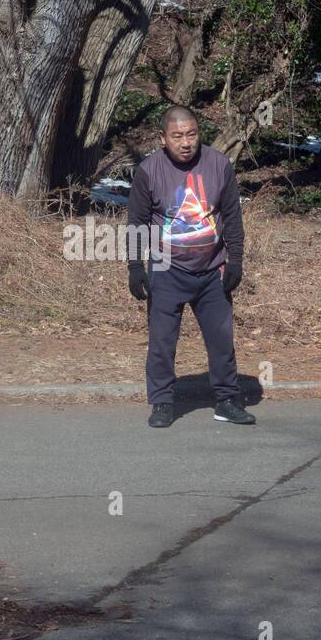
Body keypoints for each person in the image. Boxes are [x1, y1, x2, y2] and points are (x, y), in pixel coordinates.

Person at [125, 106, 254, 428]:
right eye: (177, 136)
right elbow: (137, 222)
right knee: (162, 342)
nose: (186, 143)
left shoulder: (219, 165)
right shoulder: (149, 170)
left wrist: (235, 260)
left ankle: (226, 400)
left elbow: (232, 218)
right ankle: (162, 403)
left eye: (192, 134)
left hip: (213, 271)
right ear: (163, 138)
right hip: (166, 270)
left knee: (221, 341)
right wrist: (134, 266)